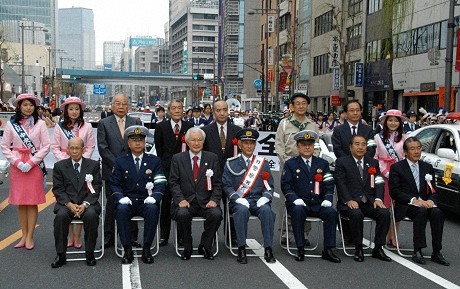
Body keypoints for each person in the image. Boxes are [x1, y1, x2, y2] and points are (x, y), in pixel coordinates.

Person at [281, 130, 341, 263]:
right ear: (297, 146)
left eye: (310, 144)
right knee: (297, 212)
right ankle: (300, 248)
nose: (307, 147)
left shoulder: (322, 164)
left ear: (314, 146)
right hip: (299, 202)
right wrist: (294, 198)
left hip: (317, 202)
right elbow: (286, 185)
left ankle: (328, 249)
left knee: (331, 213)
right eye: (303, 144)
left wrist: (328, 198)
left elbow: (329, 183)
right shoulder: (291, 164)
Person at [389, 137, 450, 266]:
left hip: (425, 203)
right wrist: (414, 200)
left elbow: (433, 190)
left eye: (418, 148)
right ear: (405, 152)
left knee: (437, 212)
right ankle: (418, 250)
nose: (416, 151)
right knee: (421, 211)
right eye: (412, 149)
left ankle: (437, 251)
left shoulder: (427, 167)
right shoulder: (397, 168)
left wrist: (431, 201)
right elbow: (395, 192)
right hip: (407, 205)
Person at [0, 94, 50, 250]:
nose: (28, 107)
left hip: (33, 166)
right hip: (17, 166)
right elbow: (4, 146)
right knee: (21, 202)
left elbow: (46, 146)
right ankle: (23, 234)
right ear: (19, 106)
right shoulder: (11, 125)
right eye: (25, 105)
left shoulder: (40, 124)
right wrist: (17, 162)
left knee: (32, 201)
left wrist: (31, 162)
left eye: (31, 105)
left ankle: (30, 237)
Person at [110, 125, 167, 264]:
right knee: (121, 210)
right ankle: (127, 249)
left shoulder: (154, 161)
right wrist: (120, 197)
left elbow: (160, 182)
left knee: (153, 209)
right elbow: (114, 183)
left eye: (140, 140)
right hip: (127, 201)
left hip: (145, 201)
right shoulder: (120, 161)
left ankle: (147, 247)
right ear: (129, 143)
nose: (137, 143)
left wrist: (155, 197)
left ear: (145, 142)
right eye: (134, 140)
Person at [222, 128, 276, 264]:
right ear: (240, 145)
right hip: (240, 201)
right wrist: (236, 198)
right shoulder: (231, 163)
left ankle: (268, 248)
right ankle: (241, 248)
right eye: (245, 143)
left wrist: (266, 197)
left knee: (267, 211)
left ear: (255, 145)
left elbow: (270, 185)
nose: (249, 146)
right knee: (241, 211)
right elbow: (226, 185)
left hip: (258, 200)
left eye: (251, 143)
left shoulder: (262, 163)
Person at [335, 134, 391, 262]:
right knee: (356, 214)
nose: (360, 147)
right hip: (351, 201)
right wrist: (348, 199)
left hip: (369, 201)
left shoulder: (373, 162)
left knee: (384, 213)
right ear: (350, 147)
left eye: (363, 144)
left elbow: (379, 182)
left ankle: (378, 247)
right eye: (357, 144)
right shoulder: (342, 162)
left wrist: (378, 199)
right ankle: (358, 247)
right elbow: (340, 183)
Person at [169, 127, 222, 260]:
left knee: (216, 214)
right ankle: (187, 247)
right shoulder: (178, 158)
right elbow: (173, 182)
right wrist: (180, 199)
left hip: (206, 201)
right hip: (186, 201)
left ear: (203, 142)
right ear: (187, 142)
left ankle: (205, 245)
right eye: (193, 140)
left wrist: (214, 200)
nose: (196, 143)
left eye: (199, 140)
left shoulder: (212, 158)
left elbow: (217, 183)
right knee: (181, 214)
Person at [97, 93, 142, 248]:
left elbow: (140, 145)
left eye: (124, 104)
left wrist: (129, 164)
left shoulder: (135, 122)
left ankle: (132, 236)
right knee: (111, 204)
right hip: (112, 171)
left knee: (132, 201)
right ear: (112, 105)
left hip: (133, 171)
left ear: (128, 106)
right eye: (118, 103)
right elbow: (103, 148)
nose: (121, 106)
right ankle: (109, 237)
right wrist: (119, 164)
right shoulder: (104, 123)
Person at [52, 96, 96, 250]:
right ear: (65, 110)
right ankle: (70, 234)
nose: (74, 111)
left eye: (77, 109)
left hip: (83, 165)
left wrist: (82, 160)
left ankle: (78, 235)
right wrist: (67, 161)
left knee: (83, 198)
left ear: (81, 110)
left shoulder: (88, 126)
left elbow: (90, 146)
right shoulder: (59, 127)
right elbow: (55, 146)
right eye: (71, 109)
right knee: (68, 200)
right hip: (65, 165)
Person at [51, 137, 102, 268]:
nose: (74, 151)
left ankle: (90, 253)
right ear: (67, 150)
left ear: (83, 149)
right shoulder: (59, 166)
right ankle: (61, 254)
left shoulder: (93, 165)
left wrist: (85, 204)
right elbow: (58, 189)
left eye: (77, 148)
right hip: (67, 204)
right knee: (60, 217)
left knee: (91, 216)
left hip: (87, 204)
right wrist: (69, 204)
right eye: (71, 148)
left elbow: (96, 188)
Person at [275, 92, 317, 245]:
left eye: (303, 103)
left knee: (307, 197)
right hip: (288, 164)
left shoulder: (311, 124)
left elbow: (316, 145)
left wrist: (313, 160)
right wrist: (287, 162)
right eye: (297, 103)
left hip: (307, 165)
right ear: (292, 106)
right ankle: (286, 232)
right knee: (286, 198)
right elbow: (279, 145)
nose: (301, 106)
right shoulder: (284, 123)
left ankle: (305, 233)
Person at [154, 99, 193, 246]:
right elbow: (159, 150)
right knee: (165, 204)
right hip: (166, 170)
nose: (177, 110)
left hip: (185, 171)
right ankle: (164, 236)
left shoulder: (189, 126)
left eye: (180, 108)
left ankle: (182, 236)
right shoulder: (161, 127)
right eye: (174, 108)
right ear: (169, 111)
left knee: (182, 203)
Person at [373, 109, 408, 246]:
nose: (393, 123)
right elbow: (375, 158)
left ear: (400, 123)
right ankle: (383, 235)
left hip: (400, 176)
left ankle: (394, 235)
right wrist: (386, 171)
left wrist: (400, 173)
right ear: (385, 121)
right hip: (383, 176)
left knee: (398, 206)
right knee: (386, 206)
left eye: (396, 120)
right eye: (390, 120)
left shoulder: (405, 138)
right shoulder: (377, 138)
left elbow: (406, 157)